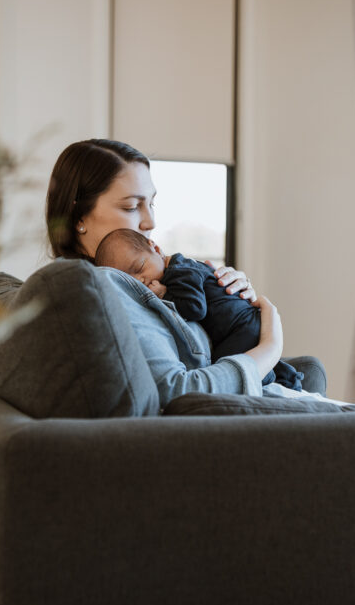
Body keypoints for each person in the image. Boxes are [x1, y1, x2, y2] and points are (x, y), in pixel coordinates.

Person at [45, 138, 290, 407]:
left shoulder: (146, 277)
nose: (150, 222)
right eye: (130, 207)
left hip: (229, 386)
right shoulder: (104, 285)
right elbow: (178, 392)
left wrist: (227, 299)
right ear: (79, 218)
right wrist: (269, 349)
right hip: (206, 415)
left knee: (310, 369)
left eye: (151, 204)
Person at [94, 228, 304, 391]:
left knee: (230, 366)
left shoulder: (180, 272)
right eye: (131, 280)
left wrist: (165, 294)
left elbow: (195, 308)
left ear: (156, 249)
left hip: (240, 327)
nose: (142, 281)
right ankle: (289, 379)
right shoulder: (179, 269)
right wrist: (271, 347)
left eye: (140, 268)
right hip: (243, 327)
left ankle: (276, 383)